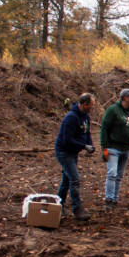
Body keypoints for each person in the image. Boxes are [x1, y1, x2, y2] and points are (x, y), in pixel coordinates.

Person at [100, 88, 129, 212]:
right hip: (113, 148)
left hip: (126, 149)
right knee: (112, 173)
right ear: (125, 97)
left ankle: (114, 199)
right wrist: (104, 147)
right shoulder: (113, 110)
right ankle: (108, 200)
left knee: (119, 176)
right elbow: (104, 128)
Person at [55, 92, 95, 220]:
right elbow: (67, 140)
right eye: (91, 105)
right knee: (75, 179)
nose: (92, 108)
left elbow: (87, 133)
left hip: (73, 152)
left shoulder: (86, 117)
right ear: (84, 104)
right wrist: (84, 146)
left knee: (67, 180)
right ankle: (77, 208)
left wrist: (90, 144)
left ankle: (58, 206)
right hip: (64, 151)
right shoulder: (71, 118)